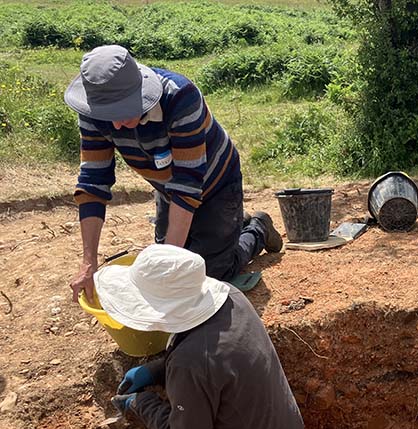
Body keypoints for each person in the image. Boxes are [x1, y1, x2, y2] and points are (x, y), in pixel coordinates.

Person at [98, 244, 303, 429]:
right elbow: (217, 357)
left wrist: (141, 403)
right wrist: (158, 370)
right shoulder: (232, 297)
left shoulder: (191, 363)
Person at [64, 44, 282, 303]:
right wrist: (88, 263)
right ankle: (231, 225)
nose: (116, 125)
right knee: (169, 263)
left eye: (123, 111)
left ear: (140, 92)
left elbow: (187, 184)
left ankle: (256, 228)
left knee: (207, 273)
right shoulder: (93, 110)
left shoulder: (180, 97)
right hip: (167, 187)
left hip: (216, 181)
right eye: (108, 116)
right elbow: (93, 183)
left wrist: (169, 264)